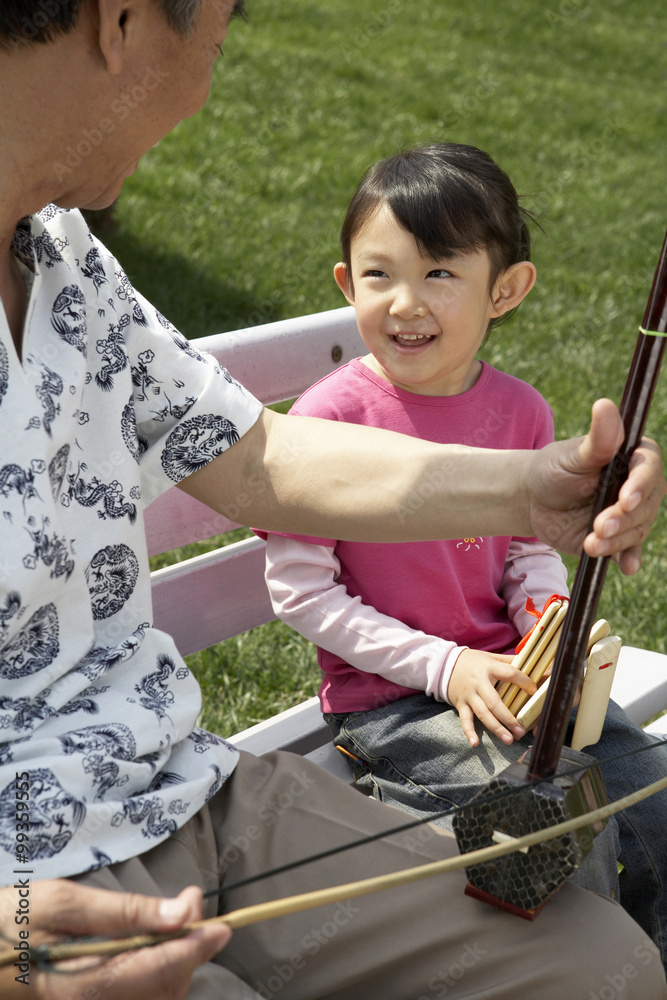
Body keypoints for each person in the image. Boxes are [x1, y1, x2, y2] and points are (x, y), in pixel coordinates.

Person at [0, 2, 665, 998]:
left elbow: (255, 457)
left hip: (187, 792)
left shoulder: (59, 256)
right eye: (218, 38)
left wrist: (534, 488)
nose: (208, 87)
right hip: (31, 888)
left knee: (600, 968)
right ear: (124, 22)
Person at [260, 142, 667, 964]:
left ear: (505, 290)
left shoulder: (516, 411)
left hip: (512, 678)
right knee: (558, 828)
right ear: (346, 283)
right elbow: (302, 595)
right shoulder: (326, 421)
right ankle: (582, 977)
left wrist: (543, 613)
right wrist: (448, 670)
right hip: (395, 704)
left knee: (650, 797)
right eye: (379, 275)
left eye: (440, 273)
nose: (405, 302)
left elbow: (524, 550)